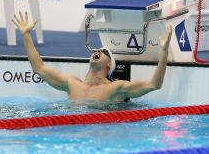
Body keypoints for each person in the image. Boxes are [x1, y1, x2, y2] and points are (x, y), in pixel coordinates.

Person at [12, 11, 172, 102]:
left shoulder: (115, 88)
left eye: (103, 52)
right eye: (96, 50)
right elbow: (39, 68)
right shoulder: (71, 83)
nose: (97, 51)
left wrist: (163, 52)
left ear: (109, 64)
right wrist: (26, 35)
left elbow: (153, 85)